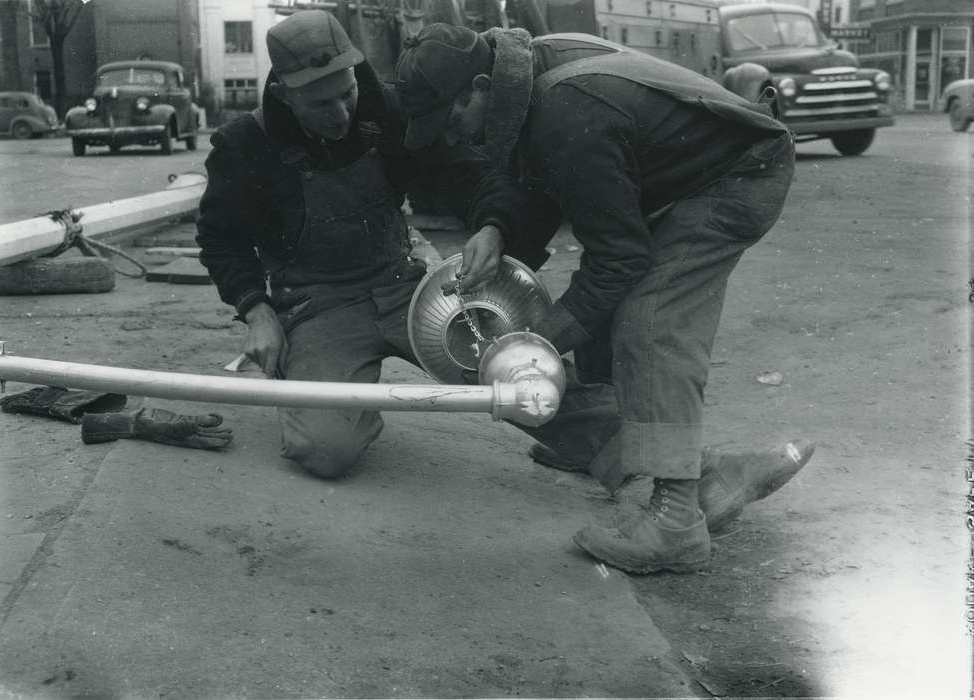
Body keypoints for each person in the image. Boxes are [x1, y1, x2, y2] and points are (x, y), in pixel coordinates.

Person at [394, 25, 815, 573]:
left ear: (480, 85)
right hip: (684, 175)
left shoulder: (567, 111)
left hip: (738, 177)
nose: (451, 137)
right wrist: (499, 230)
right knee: (607, 303)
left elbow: (617, 260)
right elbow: (552, 183)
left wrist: (532, 343)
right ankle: (628, 453)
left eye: (452, 118)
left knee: (651, 317)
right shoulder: (527, 75)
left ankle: (676, 524)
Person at [196, 10, 528, 478]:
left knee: (520, 369)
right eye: (320, 105)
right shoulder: (244, 144)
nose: (342, 114)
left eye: (347, 93)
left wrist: (493, 225)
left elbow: (471, 174)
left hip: (404, 288)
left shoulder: (387, 110)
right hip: (317, 307)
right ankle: (343, 402)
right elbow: (219, 240)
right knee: (324, 450)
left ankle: (606, 447)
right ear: (283, 96)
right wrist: (257, 311)